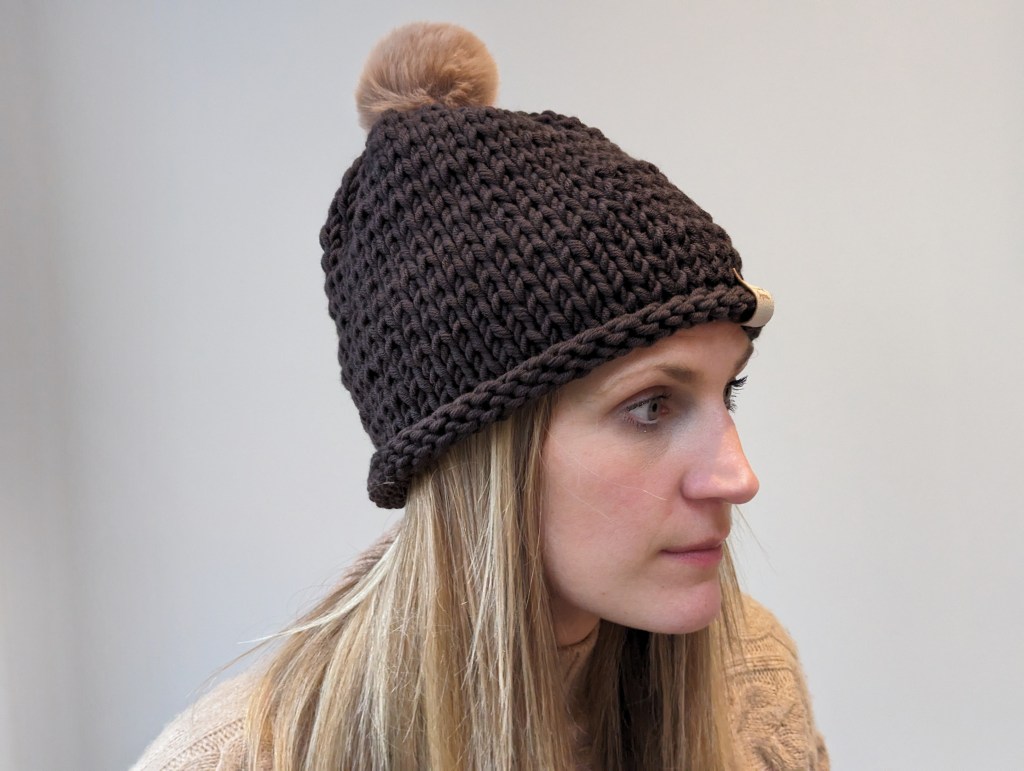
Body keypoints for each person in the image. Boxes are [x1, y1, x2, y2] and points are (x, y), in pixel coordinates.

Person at [133, 22, 828, 771]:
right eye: (652, 405)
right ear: (477, 450)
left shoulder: (752, 681)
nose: (737, 476)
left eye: (730, 390)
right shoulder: (242, 757)